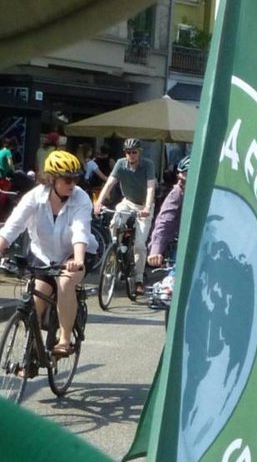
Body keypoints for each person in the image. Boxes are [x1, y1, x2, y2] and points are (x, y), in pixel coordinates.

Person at [0, 150, 97, 357]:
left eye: (76, 178)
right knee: (37, 294)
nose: (73, 183)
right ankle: (33, 350)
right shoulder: (34, 197)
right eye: (67, 179)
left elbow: (80, 231)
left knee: (65, 282)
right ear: (52, 179)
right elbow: (11, 228)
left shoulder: (81, 199)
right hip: (44, 255)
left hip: (76, 253)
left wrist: (78, 260)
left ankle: (64, 339)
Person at [93, 137, 156, 295]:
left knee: (140, 245)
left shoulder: (148, 165)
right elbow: (109, 183)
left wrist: (147, 207)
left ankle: (139, 279)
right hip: (127, 202)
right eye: (128, 152)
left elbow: (150, 188)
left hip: (143, 206)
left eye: (134, 152)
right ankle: (116, 249)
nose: (131, 155)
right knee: (115, 221)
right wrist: (99, 202)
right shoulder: (121, 164)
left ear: (139, 153)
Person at [148, 155, 188, 267]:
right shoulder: (178, 192)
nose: (179, 183)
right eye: (178, 178)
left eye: (183, 180)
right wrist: (156, 250)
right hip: (185, 247)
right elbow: (165, 220)